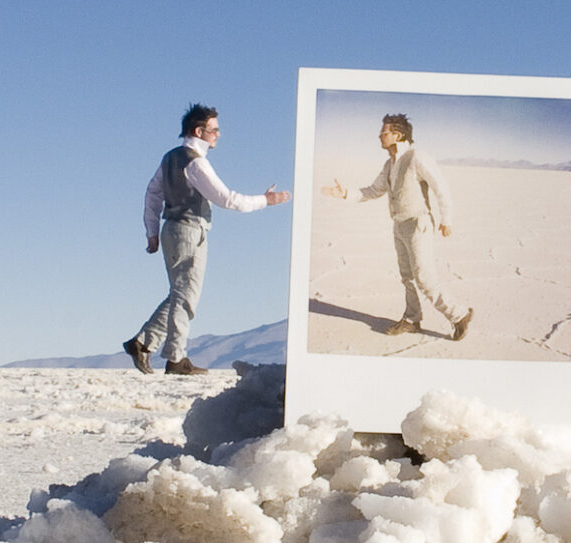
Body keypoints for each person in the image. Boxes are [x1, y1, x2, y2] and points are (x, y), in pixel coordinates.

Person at [124, 104, 291, 375]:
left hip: (171, 230)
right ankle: (176, 359)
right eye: (214, 130)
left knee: (179, 293)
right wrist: (267, 200)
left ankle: (143, 342)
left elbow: (152, 194)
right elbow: (227, 199)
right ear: (199, 131)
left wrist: (152, 231)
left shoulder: (170, 157)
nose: (219, 135)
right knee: (186, 296)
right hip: (189, 231)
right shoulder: (196, 162)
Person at [322, 113, 473, 340]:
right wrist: (345, 193)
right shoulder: (389, 163)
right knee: (408, 277)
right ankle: (412, 320)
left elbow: (440, 186)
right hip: (400, 225)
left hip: (418, 223)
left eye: (384, 133)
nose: (379, 136)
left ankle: (459, 314)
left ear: (397, 135)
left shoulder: (416, 157)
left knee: (424, 278)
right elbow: (373, 191)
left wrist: (446, 220)